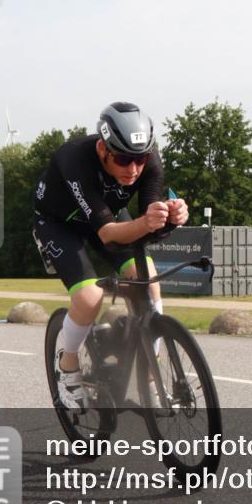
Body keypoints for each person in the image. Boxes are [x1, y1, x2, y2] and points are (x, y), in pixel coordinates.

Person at [32, 102, 188, 411]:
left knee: (149, 282)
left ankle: (151, 375)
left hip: (110, 218)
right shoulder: (76, 159)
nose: (133, 170)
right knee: (89, 298)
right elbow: (106, 233)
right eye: (123, 159)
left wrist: (170, 218)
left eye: (140, 159)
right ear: (103, 149)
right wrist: (146, 222)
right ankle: (68, 365)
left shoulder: (150, 162)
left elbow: (147, 221)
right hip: (59, 223)